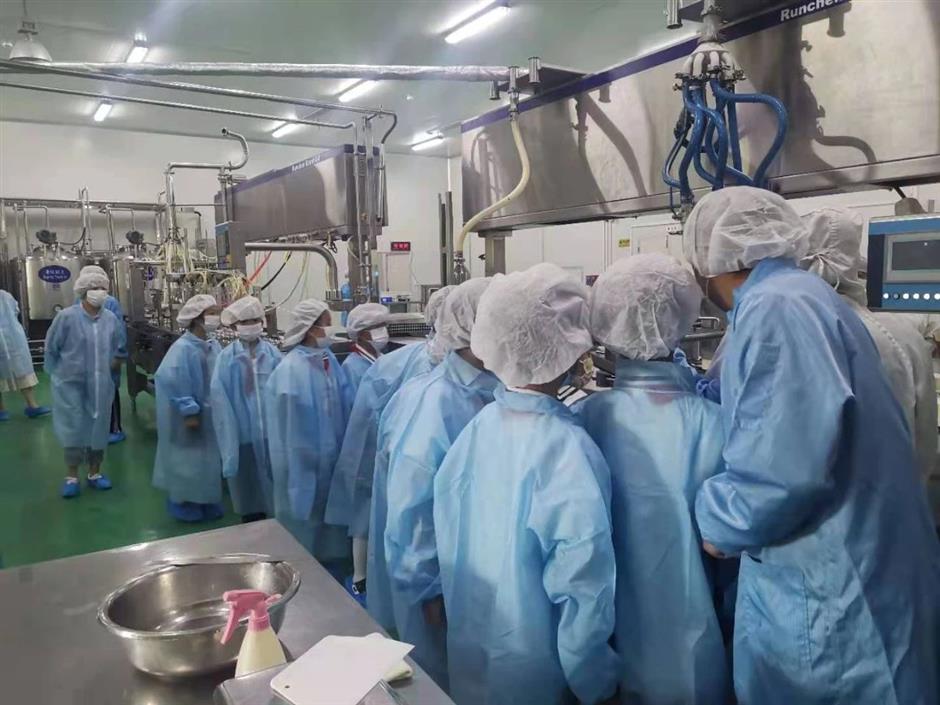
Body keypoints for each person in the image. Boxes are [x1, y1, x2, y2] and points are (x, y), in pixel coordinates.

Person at [684, 186, 940, 704]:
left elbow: (782, 473)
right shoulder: (804, 296)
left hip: (835, 592)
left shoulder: (776, 309)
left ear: (710, 258)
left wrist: (719, 521)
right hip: (869, 561)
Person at [433, 264, 619, 705]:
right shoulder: (567, 449)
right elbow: (582, 584)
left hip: (472, 650)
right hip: (539, 673)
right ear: (570, 346)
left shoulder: (478, 428)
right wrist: (595, 681)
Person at [578, 254, 731, 705]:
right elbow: (733, 555)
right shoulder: (714, 424)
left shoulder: (584, 419)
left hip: (603, 649)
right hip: (692, 655)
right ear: (684, 316)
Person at [376, 278, 498, 689]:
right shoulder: (434, 402)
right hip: (436, 589)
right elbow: (411, 509)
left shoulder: (483, 388)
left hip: (469, 577)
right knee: (437, 680)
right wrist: (427, 587)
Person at [324, 285, 454, 602]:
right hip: (384, 450)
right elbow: (363, 417)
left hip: (394, 451)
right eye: (376, 327)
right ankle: (364, 578)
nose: (382, 332)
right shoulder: (420, 368)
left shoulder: (399, 360)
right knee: (377, 516)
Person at [801, 207, 938, 483]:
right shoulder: (904, 337)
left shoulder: (777, 327)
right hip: (894, 497)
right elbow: (924, 440)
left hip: (809, 504)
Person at [264, 299, 354, 561]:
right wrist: (308, 464)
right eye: (326, 323)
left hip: (329, 463)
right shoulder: (291, 372)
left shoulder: (326, 360)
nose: (330, 329)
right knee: (303, 526)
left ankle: (329, 566)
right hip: (301, 469)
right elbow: (292, 435)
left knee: (329, 528)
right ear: (311, 328)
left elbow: (344, 404)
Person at [45, 267, 125, 498]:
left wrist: (112, 374)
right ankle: (71, 476)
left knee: (98, 427)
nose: (99, 292)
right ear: (83, 291)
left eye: (102, 288)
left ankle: (94, 473)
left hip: (100, 385)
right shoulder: (66, 317)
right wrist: (57, 374)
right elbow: (52, 347)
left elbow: (117, 347)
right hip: (70, 383)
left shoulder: (110, 319)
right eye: (94, 288)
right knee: (73, 428)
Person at [152, 294, 224, 522]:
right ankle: (183, 502)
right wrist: (189, 410)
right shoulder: (182, 348)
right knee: (187, 460)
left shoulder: (212, 345)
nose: (215, 317)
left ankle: (206, 499)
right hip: (187, 418)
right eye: (211, 313)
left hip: (210, 414)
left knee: (207, 459)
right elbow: (171, 379)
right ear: (197, 318)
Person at [211, 296, 282, 521]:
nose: (250, 326)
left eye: (254, 320)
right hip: (242, 436)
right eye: (244, 322)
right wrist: (229, 438)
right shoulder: (226, 358)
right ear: (234, 326)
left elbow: (283, 394)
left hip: (272, 435)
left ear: (262, 322)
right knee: (248, 487)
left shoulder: (273, 355)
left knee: (275, 487)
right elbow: (220, 401)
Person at [75, 265, 128, 444]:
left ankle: (110, 428)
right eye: (92, 286)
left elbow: (119, 331)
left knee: (106, 393)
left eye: (99, 286)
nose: (96, 290)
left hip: (105, 357)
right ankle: (103, 429)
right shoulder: (79, 304)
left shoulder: (109, 302)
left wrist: (118, 355)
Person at [0, 288, 50, 420]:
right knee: (19, 371)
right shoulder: (5, 296)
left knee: (22, 372)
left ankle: (28, 406)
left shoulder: (5, 296)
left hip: (12, 338)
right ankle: (28, 406)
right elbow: (16, 310)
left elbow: (14, 310)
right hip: (12, 337)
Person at [342, 302, 391, 394]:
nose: (384, 331)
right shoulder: (351, 367)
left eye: (384, 325)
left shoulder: (384, 359)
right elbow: (353, 400)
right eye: (377, 327)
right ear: (362, 334)